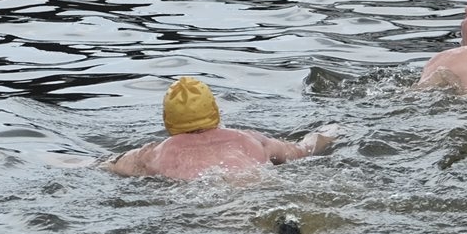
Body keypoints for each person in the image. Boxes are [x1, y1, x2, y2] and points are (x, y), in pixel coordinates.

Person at [101, 76, 339, 180]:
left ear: (167, 119)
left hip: (201, 199)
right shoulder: (251, 140)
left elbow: (101, 165)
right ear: (215, 111)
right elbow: (304, 149)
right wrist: (334, 129)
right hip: (260, 187)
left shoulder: (151, 155)